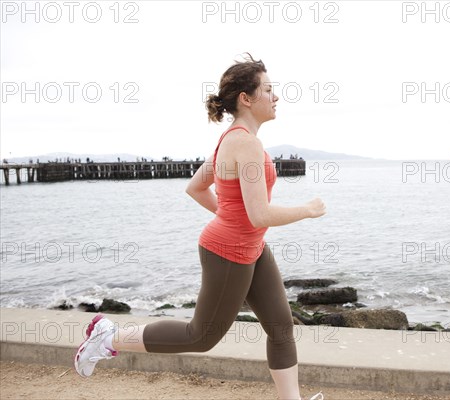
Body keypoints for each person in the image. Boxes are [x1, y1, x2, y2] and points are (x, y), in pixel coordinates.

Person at [74, 53, 327, 400]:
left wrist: (232, 218)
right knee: (201, 336)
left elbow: (196, 188)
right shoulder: (245, 144)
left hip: (250, 247)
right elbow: (259, 216)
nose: (276, 96)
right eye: (268, 89)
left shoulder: (231, 139)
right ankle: (108, 336)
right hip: (230, 251)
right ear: (246, 98)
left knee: (281, 327)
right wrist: (307, 210)